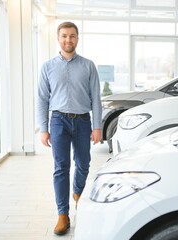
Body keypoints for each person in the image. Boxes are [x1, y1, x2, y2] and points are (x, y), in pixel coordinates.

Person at [36, 21, 102, 236]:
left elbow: (96, 99)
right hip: (58, 121)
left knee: (83, 163)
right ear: (58, 38)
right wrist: (43, 129)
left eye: (72, 36)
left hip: (83, 121)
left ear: (77, 38)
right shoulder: (47, 67)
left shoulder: (88, 65)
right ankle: (62, 214)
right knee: (61, 167)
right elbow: (42, 100)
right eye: (64, 36)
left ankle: (78, 193)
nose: (68, 40)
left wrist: (97, 126)